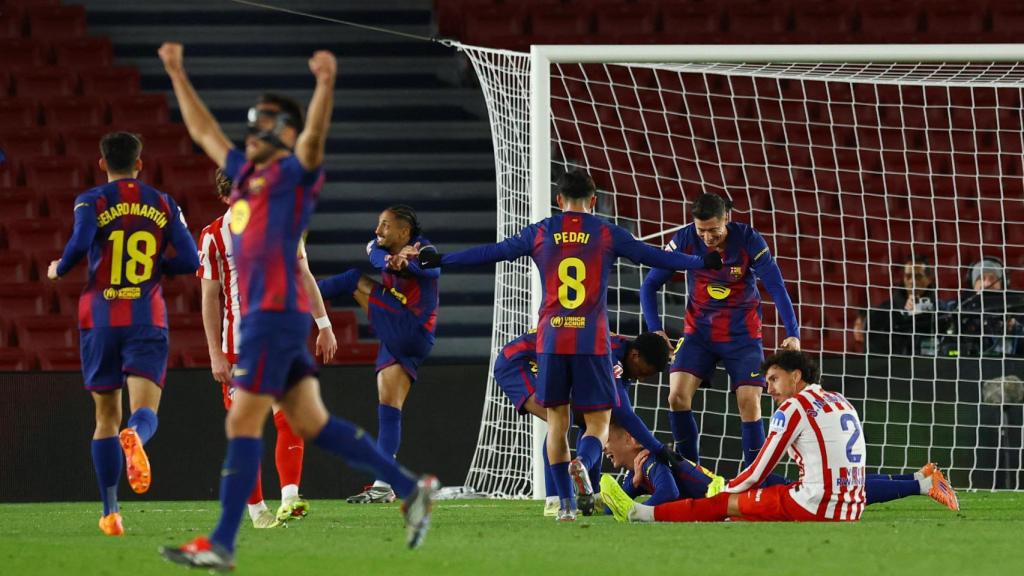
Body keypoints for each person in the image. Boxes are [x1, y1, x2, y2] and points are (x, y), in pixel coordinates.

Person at [156, 43, 437, 571]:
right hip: (267, 322)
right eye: (254, 124)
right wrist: (175, 73)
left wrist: (325, 86)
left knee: (245, 424)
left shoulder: (293, 176)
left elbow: (313, 138)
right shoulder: (245, 178)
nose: (254, 133)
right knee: (309, 422)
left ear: (283, 133)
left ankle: (223, 542)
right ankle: (408, 488)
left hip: (275, 320)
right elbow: (203, 134)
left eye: (265, 125)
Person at [412, 168, 721, 520]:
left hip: (551, 339)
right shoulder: (606, 232)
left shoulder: (541, 231)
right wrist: (699, 261)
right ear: (593, 201)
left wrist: (442, 259)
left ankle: (564, 505)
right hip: (592, 341)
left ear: (559, 201)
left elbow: (492, 252)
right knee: (598, 423)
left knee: (557, 423)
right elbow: (653, 256)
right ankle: (584, 465)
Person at [46, 131, 200, 536]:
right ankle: (137, 436)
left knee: (104, 418)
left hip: (98, 318)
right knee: (145, 411)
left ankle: (111, 512)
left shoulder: (90, 199)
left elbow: (79, 244)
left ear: (102, 163)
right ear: (140, 162)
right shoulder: (164, 202)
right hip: (145, 316)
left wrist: (59, 268)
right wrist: (155, 269)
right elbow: (189, 258)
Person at [601, 350, 960, 524]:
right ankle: (921, 480)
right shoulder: (839, 399)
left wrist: (728, 489)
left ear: (796, 376)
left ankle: (638, 515)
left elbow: (758, 469)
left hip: (815, 505)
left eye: (773, 379)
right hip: (849, 504)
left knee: (725, 504)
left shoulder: (793, 408)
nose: (768, 387)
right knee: (770, 493)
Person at [197, 168, 338, 527]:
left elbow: (303, 274)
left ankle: (290, 498)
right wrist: (214, 352)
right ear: (225, 198)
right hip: (238, 346)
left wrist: (323, 324)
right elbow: (209, 299)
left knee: (290, 415)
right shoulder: (213, 236)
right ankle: (256, 510)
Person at [639, 192, 800, 469]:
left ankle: (754, 480)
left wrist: (793, 332)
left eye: (713, 230)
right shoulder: (686, 239)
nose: (708, 237)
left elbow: (776, 286)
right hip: (698, 335)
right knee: (676, 396)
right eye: (702, 230)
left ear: (727, 217)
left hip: (743, 336)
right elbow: (649, 285)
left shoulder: (749, 240)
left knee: (750, 403)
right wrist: (655, 329)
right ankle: (691, 473)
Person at [600, 420, 959, 522]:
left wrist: (638, 491)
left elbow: (670, 496)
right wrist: (609, 499)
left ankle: (921, 483)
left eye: (608, 439)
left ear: (631, 439)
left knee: (835, 494)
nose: (604, 447)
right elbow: (614, 505)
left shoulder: (650, 460)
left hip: (740, 490)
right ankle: (919, 479)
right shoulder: (644, 464)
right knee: (840, 489)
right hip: (740, 488)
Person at [315, 205, 438, 504]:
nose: (377, 231)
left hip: (410, 327)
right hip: (402, 334)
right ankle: (385, 484)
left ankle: (293, 300)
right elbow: (374, 253)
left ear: (404, 231)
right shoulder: (378, 247)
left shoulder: (425, 249)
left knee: (354, 279)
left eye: (384, 225)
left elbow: (432, 268)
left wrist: (409, 265)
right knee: (389, 406)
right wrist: (390, 260)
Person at [494, 330, 673, 515]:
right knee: (561, 420)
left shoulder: (625, 358)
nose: (641, 378)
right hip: (518, 362)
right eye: (643, 372)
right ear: (635, 356)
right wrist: (658, 448)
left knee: (590, 420)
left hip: (550, 359)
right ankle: (554, 499)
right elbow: (624, 413)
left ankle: (591, 495)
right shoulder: (611, 356)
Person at [854, 254, 939, 356]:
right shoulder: (881, 314)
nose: (912, 281)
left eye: (918, 276)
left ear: (929, 279)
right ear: (903, 279)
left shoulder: (941, 311)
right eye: (908, 276)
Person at [939, 257, 1023, 357]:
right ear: (972, 284)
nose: (987, 283)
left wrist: (1016, 327)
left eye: (993, 279)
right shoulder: (958, 306)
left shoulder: (1016, 307)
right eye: (981, 278)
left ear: (1003, 284)